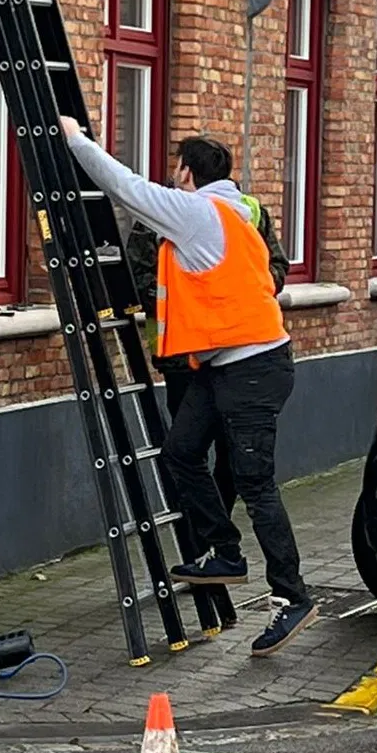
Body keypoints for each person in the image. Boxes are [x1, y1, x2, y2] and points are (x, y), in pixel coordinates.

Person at [59, 117, 317, 656]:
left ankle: (292, 596)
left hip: (253, 367)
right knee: (180, 451)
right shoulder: (235, 209)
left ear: (186, 173)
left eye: (176, 170)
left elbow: (124, 186)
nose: (171, 179)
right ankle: (225, 551)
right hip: (221, 365)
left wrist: (76, 139)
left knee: (255, 482)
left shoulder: (197, 212)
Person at [125, 189, 289, 579]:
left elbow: (275, 267)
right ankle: (207, 544)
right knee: (184, 452)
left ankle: (221, 548)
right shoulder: (161, 212)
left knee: (237, 465)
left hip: (235, 355)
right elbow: (138, 275)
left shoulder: (248, 210)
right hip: (183, 359)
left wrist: (237, 288)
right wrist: (183, 301)